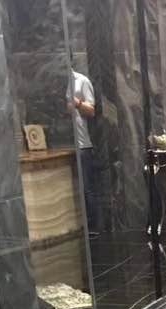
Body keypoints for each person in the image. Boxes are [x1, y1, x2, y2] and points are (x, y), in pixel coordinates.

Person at [68, 68, 99, 236]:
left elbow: (92, 111)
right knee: (76, 189)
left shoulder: (82, 81)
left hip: (83, 144)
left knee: (88, 188)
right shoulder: (63, 82)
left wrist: (78, 103)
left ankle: (93, 227)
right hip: (70, 143)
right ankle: (81, 226)